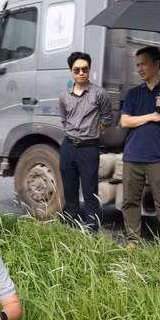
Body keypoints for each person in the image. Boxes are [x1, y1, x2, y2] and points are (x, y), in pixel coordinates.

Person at [119, 46, 160, 242]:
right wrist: (152, 117)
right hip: (133, 156)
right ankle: (133, 241)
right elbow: (125, 122)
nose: (139, 69)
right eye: (137, 65)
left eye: (143, 64)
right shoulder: (133, 93)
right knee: (130, 201)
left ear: (157, 64)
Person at [58, 52, 114, 230]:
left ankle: (91, 231)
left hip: (88, 149)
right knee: (70, 190)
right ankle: (72, 228)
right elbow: (64, 119)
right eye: (77, 70)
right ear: (71, 71)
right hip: (68, 147)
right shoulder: (64, 96)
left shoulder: (99, 94)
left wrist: (93, 132)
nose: (81, 73)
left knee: (90, 192)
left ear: (89, 70)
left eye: (85, 69)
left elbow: (107, 119)